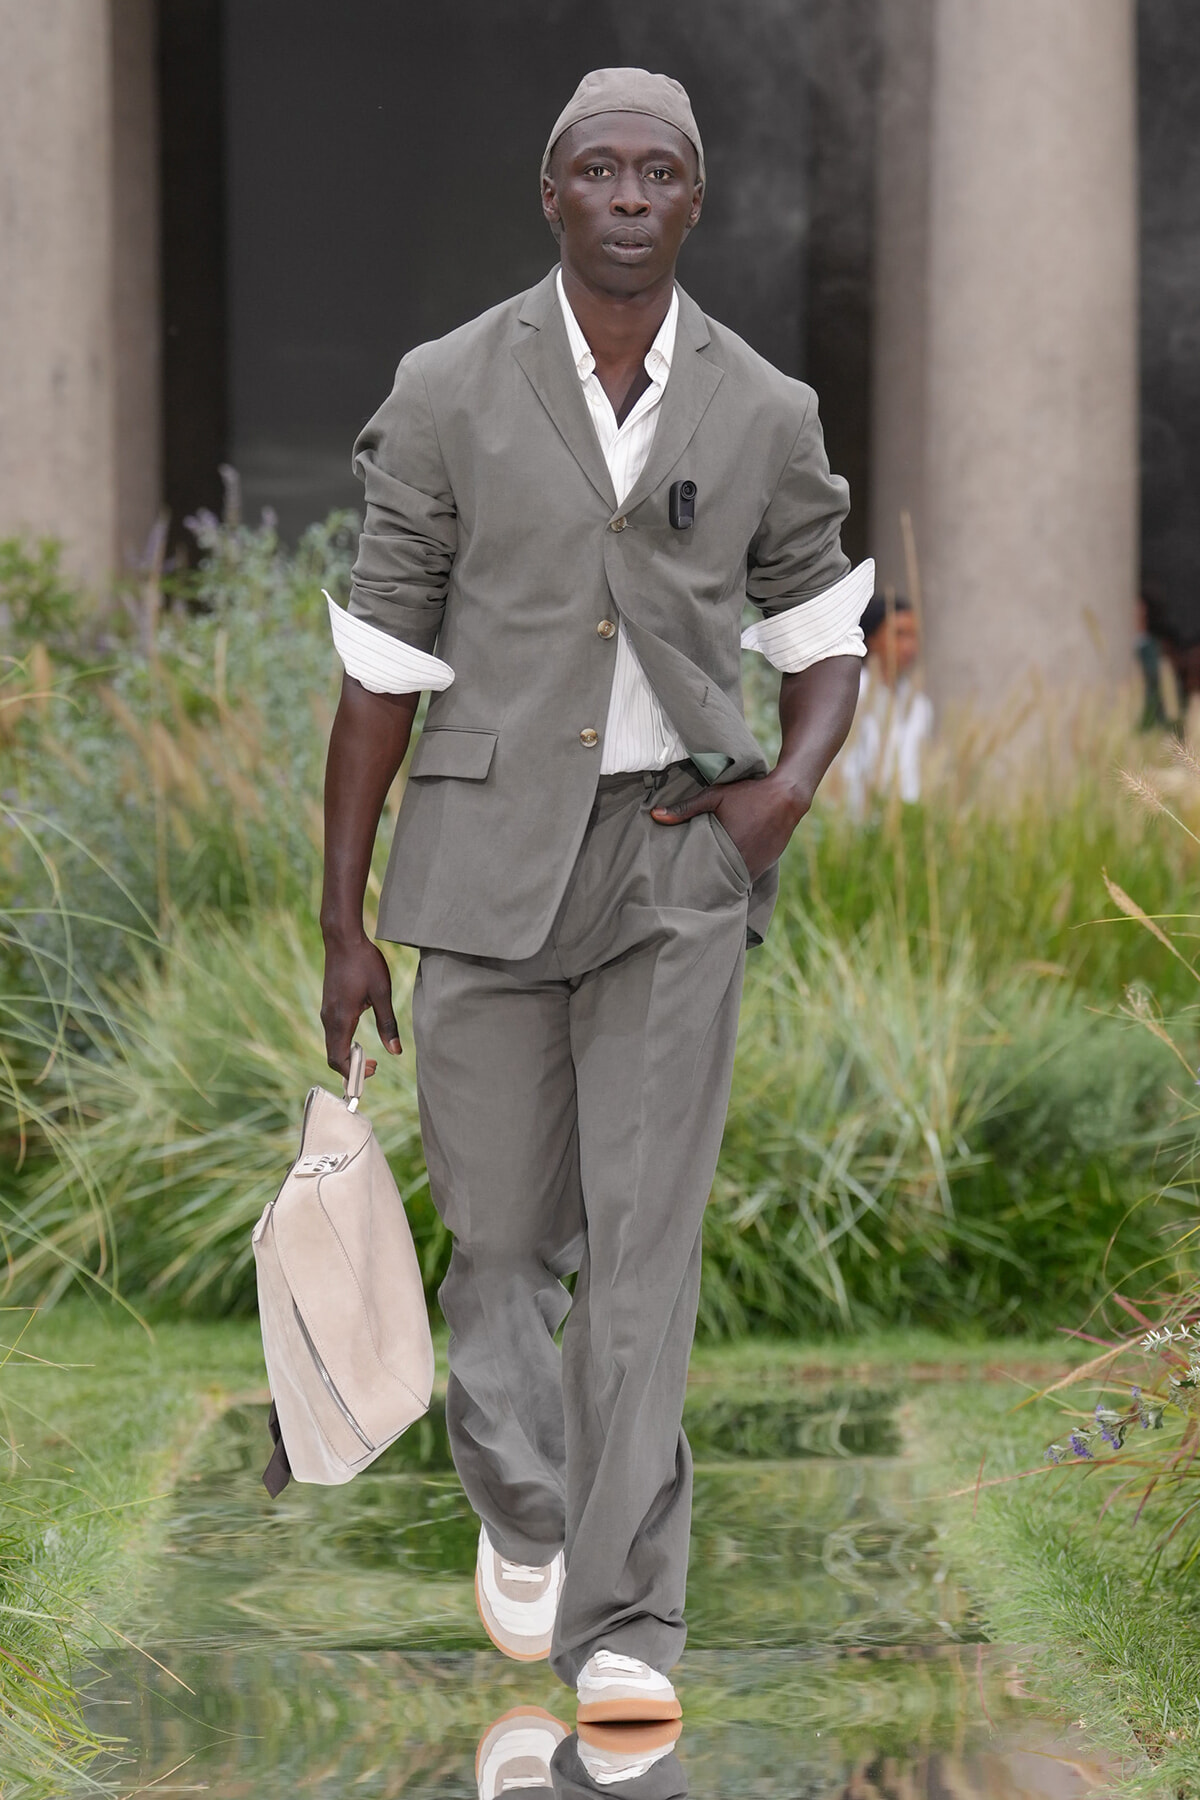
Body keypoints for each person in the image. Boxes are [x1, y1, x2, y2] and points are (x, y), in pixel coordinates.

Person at [319, 67, 870, 1738]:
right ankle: (528, 1505)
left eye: (659, 173)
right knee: (499, 1251)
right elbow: (379, 671)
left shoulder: (764, 409)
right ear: (550, 195)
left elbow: (826, 632)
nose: (628, 197)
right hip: (482, 866)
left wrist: (777, 800)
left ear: (692, 204)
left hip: (676, 863)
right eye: (598, 171)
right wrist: (343, 924)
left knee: (640, 1251)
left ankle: (630, 1620)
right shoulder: (446, 392)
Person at [837, 592, 933, 813]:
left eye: (913, 636)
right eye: (899, 634)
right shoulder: (850, 694)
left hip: (904, 824)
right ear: (872, 637)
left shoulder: (919, 705)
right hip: (854, 821)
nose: (910, 646)